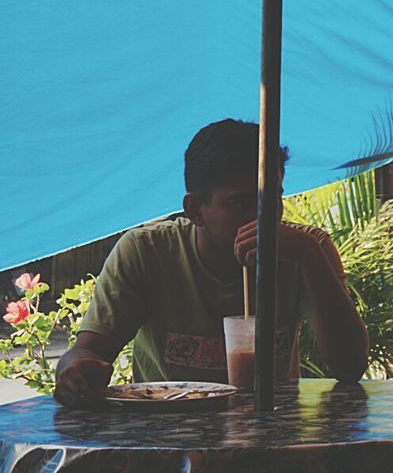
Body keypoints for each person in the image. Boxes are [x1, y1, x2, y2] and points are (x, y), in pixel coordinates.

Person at [55, 119, 369, 408]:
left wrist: (311, 258)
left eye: (273, 199)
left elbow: (350, 367)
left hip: (271, 436)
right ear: (195, 210)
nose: (264, 218)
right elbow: (89, 352)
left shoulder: (305, 249)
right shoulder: (146, 252)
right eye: (242, 204)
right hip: (170, 435)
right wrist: (76, 370)